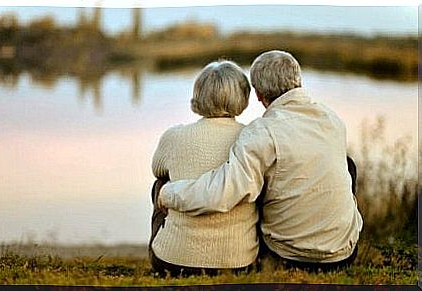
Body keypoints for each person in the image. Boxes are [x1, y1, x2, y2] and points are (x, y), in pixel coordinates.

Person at [158, 50, 363, 272]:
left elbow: (223, 192)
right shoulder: (332, 119)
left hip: (289, 255)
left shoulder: (263, 132)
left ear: (257, 95)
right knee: (347, 164)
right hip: (344, 253)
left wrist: (168, 194)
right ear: (299, 81)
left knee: (256, 181)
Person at [149, 60, 259, 277]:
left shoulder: (174, 136)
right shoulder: (253, 138)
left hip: (173, 262)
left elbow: (157, 168)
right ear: (243, 97)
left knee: (160, 184)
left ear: (198, 95)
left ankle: (173, 242)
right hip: (238, 263)